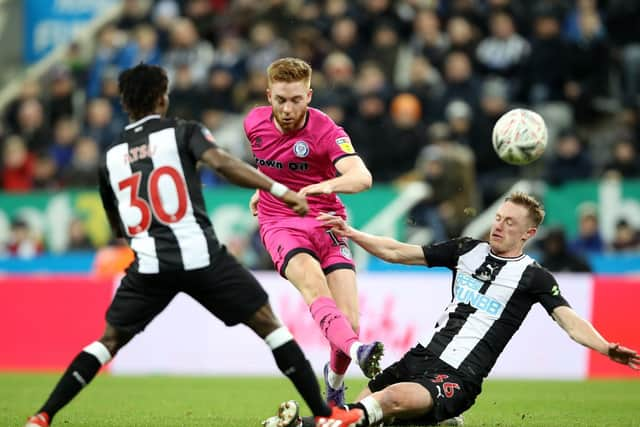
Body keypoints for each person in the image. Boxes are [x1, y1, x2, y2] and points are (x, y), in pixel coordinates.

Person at [25, 64, 363, 427]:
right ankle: (327, 415)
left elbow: (119, 227)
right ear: (163, 98)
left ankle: (43, 415)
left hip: (150, 263)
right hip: (202, 256)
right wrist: (276, 191)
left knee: (106, 342)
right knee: (270, 326)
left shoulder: (109, 158)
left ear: (124, 104)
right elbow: (222, 163)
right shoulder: (183, 131)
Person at [263, 192, 639, 427]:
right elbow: (397, 251)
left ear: (528, 234)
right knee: (366, 413)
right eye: (498, 217)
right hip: (418, 358)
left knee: (386, 402)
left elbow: (569, 321)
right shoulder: (466, 250)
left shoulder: (534, 277)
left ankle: (299, 424)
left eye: (510, 223)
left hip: (459, 376)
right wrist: (352, 233)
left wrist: (606, 348)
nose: (499, 225)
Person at [245, 57, 384, 407]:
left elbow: (362, 177)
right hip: (279, 223)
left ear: (309, 95)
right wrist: (261, 190)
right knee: (312, 285)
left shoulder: (327, 132)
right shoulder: (253, 123)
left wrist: (324, 186)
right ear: (268, 95)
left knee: (349, 320)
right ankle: (359, 351)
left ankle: (335, 380)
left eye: (296, 100)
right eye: (280, 100)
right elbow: (269, 165)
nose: (288, 109)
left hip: (326, 221)